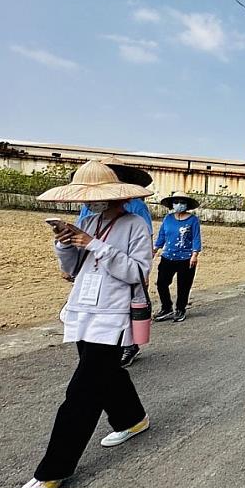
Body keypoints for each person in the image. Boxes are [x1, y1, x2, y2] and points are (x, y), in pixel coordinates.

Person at [2, 160, 153, 488]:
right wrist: (66, 243)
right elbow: (71, 271)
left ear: (114, 195)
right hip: (82, 312)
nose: (91, 202)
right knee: (105, 374)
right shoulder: (88, 221)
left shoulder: (134, 226)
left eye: (95, 196)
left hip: (112, 316)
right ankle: (132, 419)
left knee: (81, 393)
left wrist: (95, 245)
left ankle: (51, 472)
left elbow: (137, 272)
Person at [77, 155, 154, 368]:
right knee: (109, 377)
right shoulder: (88, 216)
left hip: (113, 304)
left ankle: (130, 345)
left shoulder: (136, 214)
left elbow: (143, 245)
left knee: (89, 378)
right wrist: (65, 244)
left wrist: (143, 276)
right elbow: (81, 246)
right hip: (86, 300)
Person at [154, 191, 202, 323]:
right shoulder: (168, 219)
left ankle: (180, 309)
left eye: (182, 202)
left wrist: (194, 254)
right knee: (161, 283)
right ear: (172, 204)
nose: (179, 205)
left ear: (187, 205)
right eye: (176, 202)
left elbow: (196, 238)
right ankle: (166, 307)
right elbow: (162, 235)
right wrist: (155, 248)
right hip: (168, 256)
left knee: (184, 286)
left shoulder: (193, 220)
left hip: (186, 258)